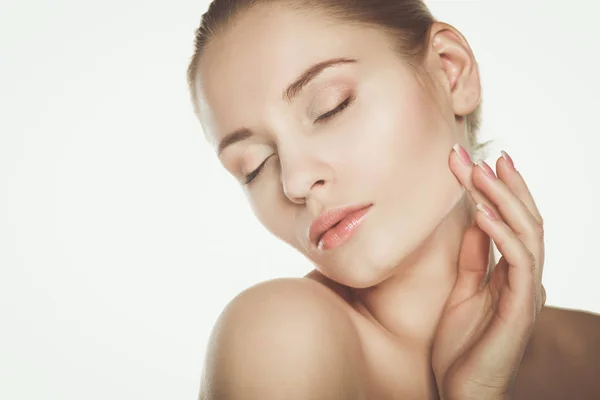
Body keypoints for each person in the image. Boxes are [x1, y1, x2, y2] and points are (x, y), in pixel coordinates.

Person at [187, 1, 600, 398]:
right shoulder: (276, 337)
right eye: (254, 166)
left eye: (331, 107)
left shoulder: (591, 356)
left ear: (449, 70)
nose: (295, 182)